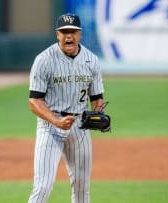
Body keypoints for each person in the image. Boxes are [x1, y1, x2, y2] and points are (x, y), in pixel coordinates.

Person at [28, 13, 106, 203]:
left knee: (82, 188)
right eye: (64, 32)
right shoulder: (44, 60)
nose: (68, 36)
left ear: (80, 34)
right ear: (57, 34)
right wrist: (56, 121)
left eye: (72, 32)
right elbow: (34, 101)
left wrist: (98, 112)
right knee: (43, 187)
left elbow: (97, 97)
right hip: (50, 126)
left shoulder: (91, 60)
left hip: (80, 127)